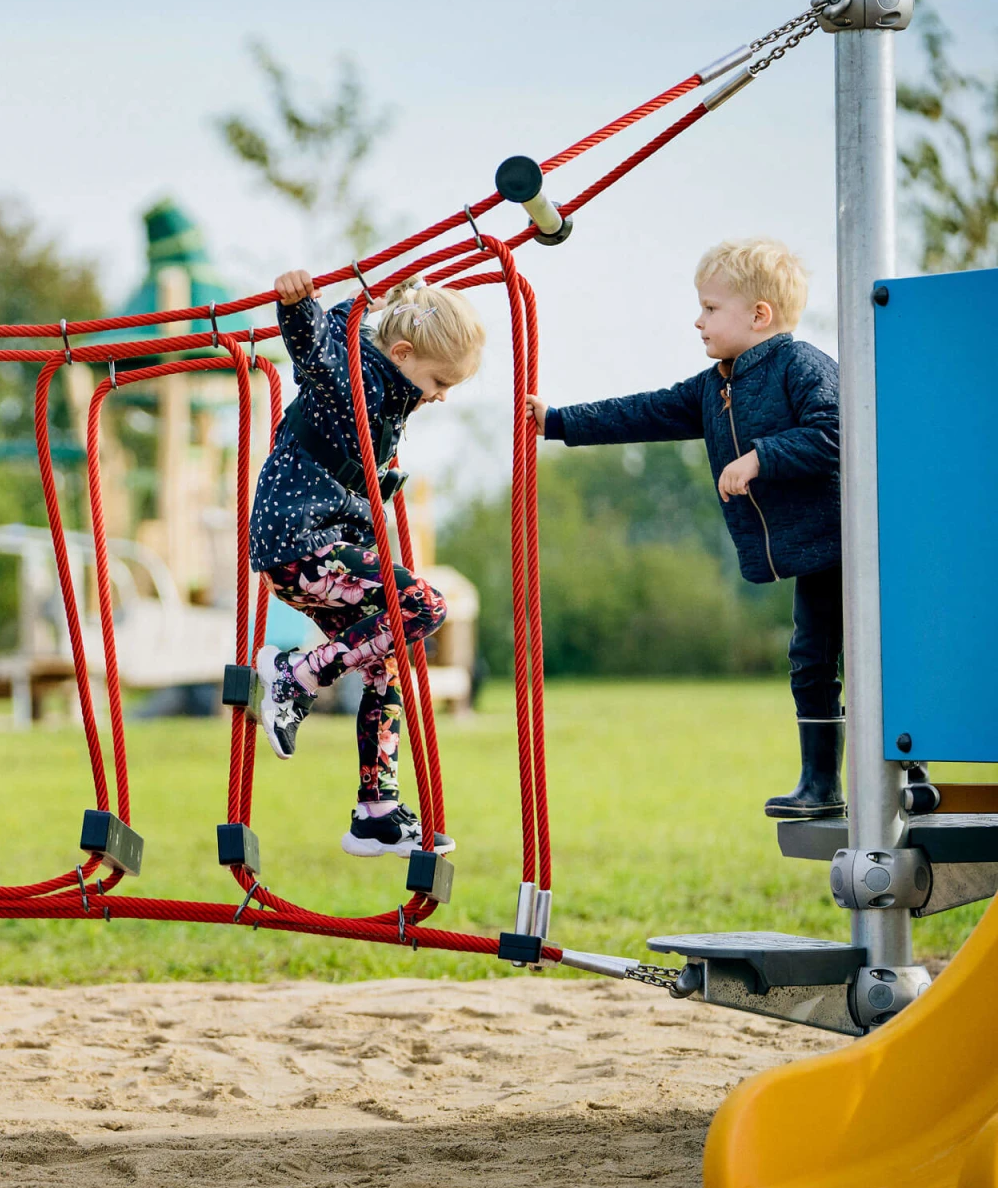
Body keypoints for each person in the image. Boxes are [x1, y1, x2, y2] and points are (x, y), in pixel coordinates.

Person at [526, 237, 844, 819]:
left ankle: (906, 773)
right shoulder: (715, 385)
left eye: (710, 308)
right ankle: (820, 784)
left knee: (876, 662)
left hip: (856, 549)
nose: (697, 321)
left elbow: (838, 432)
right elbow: (643, 411)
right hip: (816, 555)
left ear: (758, 315)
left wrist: (759, 457)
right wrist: (560, 422)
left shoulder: (802, 366)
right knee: (812, 659)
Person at [252, 269, 487, 857]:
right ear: (402, 354)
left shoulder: (385, 390)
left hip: (316, 550)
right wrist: (298, 303)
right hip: (303, 545)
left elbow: (343, 330)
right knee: (426, 605)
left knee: (385, 659)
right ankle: (297, 675)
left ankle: (376, 811)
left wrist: (376, 485)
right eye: (438, 381)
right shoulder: (353, 376)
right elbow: (313, 347)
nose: (440, 396)